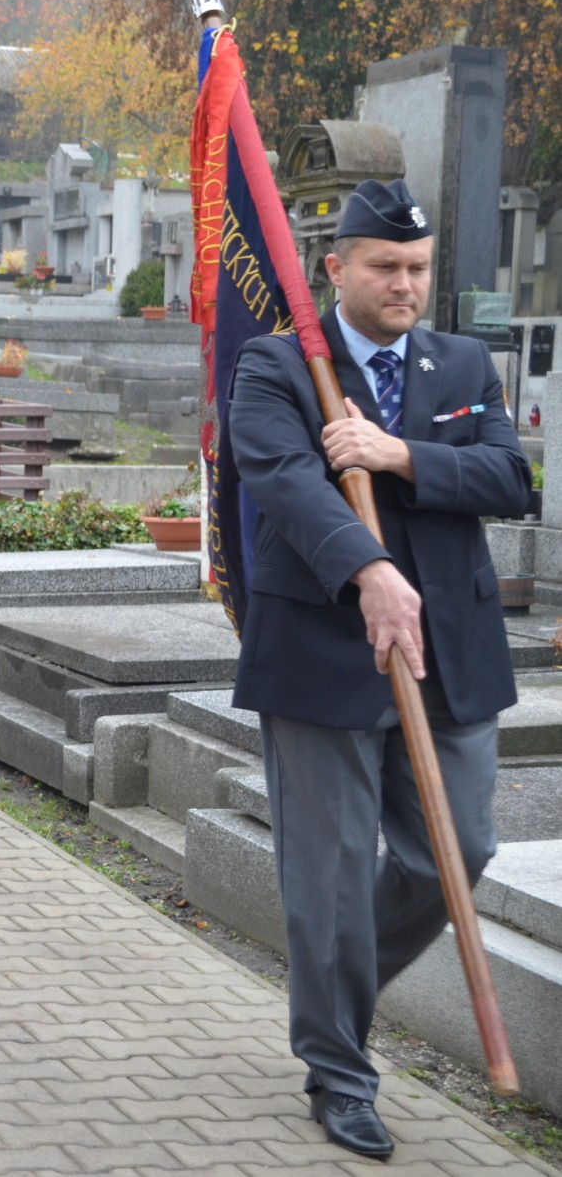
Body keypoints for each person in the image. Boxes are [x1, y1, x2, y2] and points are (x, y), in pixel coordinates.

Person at [228, 180, 530, 1157]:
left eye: (417, 268)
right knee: (328, 878)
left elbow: (508, 477)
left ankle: (334, 976)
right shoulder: (278, 367)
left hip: (450, 657)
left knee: (462, 848)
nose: (404, 284)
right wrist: (368, 568)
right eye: (384, 267)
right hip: (324, 649)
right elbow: (277, 477)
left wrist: (395, 452)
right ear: (336, 269)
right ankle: (339, 1065)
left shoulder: (464, 361)